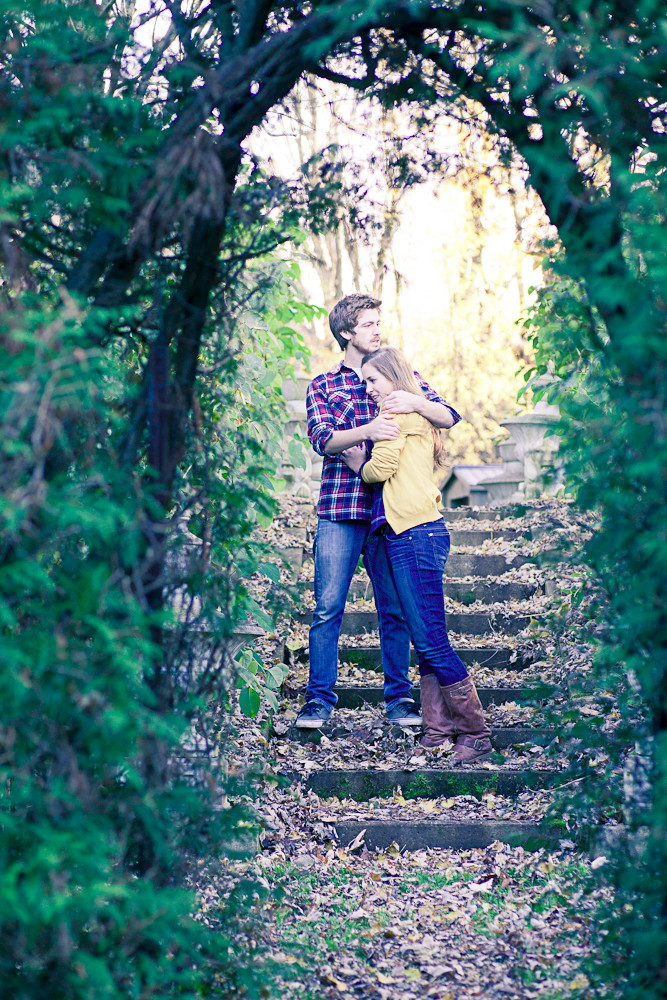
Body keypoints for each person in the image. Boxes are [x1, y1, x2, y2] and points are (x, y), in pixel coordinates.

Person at [297, 294, 461, 729]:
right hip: (341, 507)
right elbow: (321, 438)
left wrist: (416, 403)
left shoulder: (400, 377)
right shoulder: (324, 385)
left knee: (393, 609)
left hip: (392, 513)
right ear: (346, 333)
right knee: (328, 606)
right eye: (368, 324)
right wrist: (369, 429)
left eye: (378, 322)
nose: (377, 330)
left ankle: (399, 700)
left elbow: (447, 416)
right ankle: (318, 700)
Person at [341, 346, 492, 763]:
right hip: (402, 532)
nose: (367, 388)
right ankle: (437, 731)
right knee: (423, 636)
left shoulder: (399, 415)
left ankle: (475, 732)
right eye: (365, 381)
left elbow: (379, 470)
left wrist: (358, 460)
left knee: (430, 637)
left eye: (373, 380)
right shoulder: (410, 415)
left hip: (415, 533)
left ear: (392, 377)